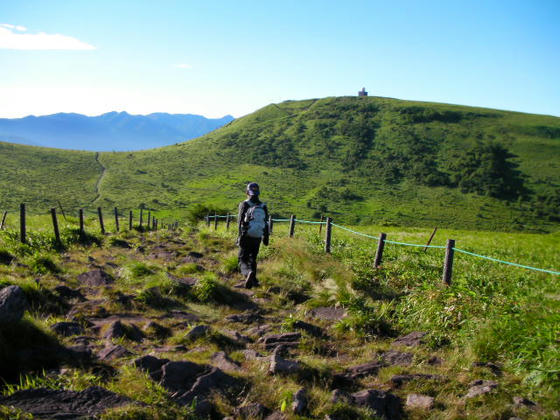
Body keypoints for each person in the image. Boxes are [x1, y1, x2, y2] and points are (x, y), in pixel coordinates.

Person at [237, 182, 269, 288]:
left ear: (247, 192)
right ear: (258, 193)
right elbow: (266, 222)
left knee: (242, 259)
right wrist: (266, 237)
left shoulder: (244, 204)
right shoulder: (263, 206)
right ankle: (254, 281)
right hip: (258, 236)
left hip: (246, 235)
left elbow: (240, 221)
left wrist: (240, 236)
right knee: (253, 258)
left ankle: (248, 273)